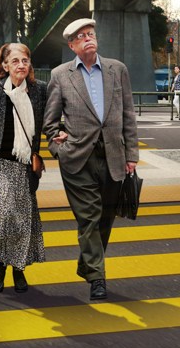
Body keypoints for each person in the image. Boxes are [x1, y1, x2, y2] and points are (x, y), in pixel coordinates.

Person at [44, 18, 138, 301]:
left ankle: (87, 264)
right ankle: (98, 278)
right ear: (72, 45)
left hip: (113, 156)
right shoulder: (60, 75)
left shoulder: (117, 69)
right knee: (89, 218)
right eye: (80, 36)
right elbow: (49, 122)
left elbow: (128, 115)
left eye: (91, 34)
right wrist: (58, 145)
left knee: (105, 218)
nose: (88, 38)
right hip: (76, 159)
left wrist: (131, 154)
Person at [0, 44, 48, 294]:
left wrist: (58, 134)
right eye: (15, 61)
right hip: (1, 166)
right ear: (4, 66)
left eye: (25, 60)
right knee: (3, 219)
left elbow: (50, 120)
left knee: (22, 221)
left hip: (26, 167)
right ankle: (1, 266)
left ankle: (18, 269)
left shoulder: (39, 91)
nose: (21, 65)